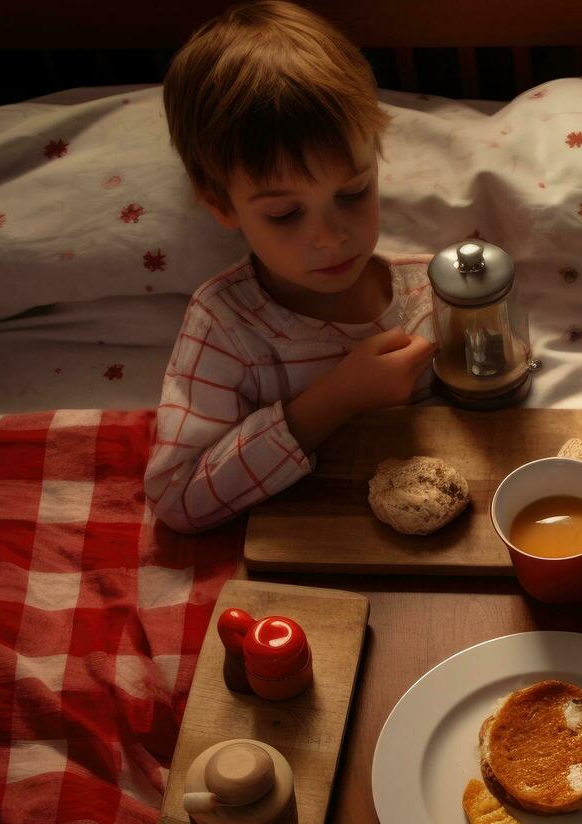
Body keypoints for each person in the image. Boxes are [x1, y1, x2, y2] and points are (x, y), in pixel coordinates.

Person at [145, 1, 436, 533]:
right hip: (317, 561)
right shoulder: (227, 327)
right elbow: (174, 498)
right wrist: (335, 399)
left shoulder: (428, 291)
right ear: (222, 206)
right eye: (285, 213)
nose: (330, 237)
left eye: (353, 192)